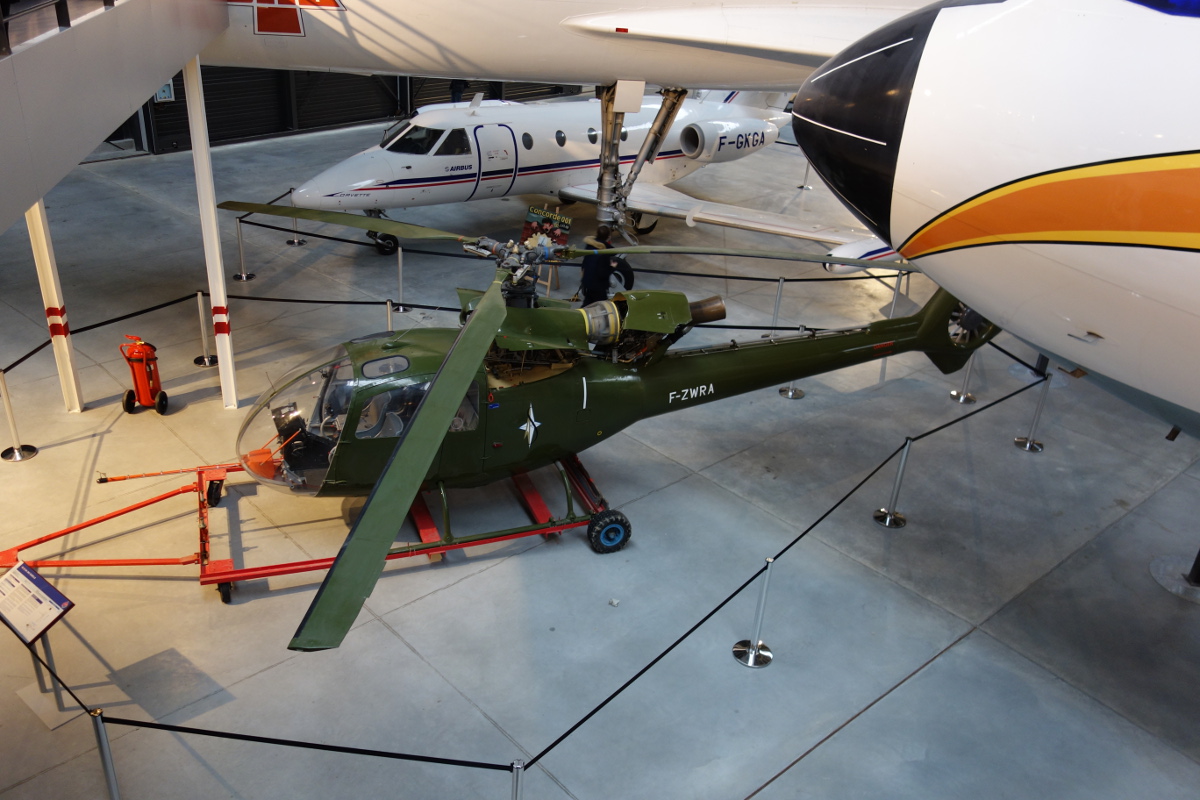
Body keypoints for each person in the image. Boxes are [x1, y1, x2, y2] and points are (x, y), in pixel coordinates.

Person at [578, 225, 615, 306]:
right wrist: (612, 267)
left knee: (587, 303)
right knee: (603, 307)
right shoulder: (604, 253)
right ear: (608, 237)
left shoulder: (589, 246)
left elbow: (585, 263)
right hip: (598, 286)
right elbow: (602, 273)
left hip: (588, 281)